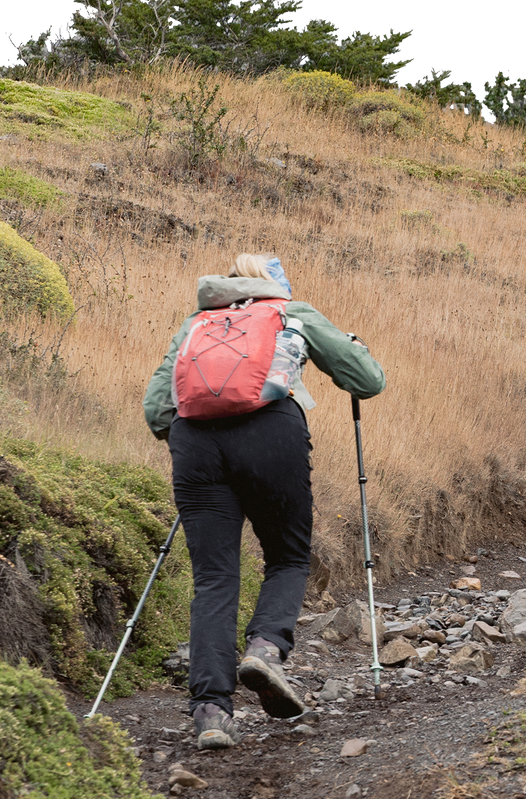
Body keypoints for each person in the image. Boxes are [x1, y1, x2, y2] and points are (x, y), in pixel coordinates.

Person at [145, 252, 385, 752]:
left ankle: (211, 712)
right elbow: (367, 382)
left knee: (213, 578)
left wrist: (199, 444)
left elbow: (157, 410)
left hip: (196, 444)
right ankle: (265, 649)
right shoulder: (291, 312)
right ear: (276, 284)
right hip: (271, 434)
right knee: (287, 556)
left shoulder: (198, 321)